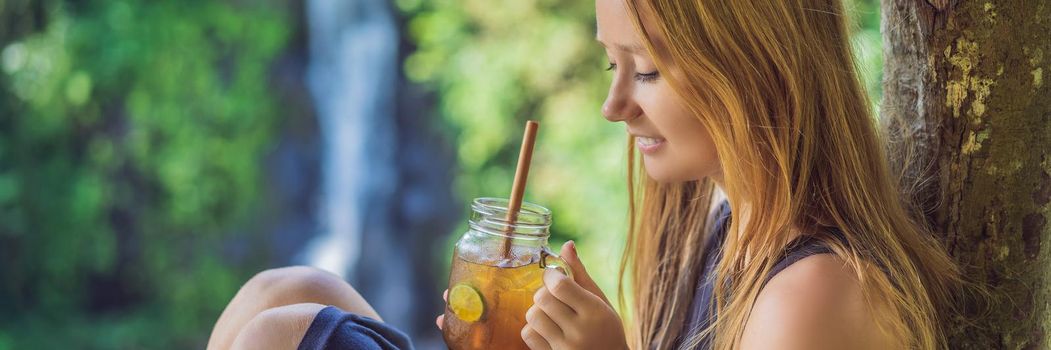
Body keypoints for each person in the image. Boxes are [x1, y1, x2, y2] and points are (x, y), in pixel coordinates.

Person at [207, 0, 964, 349]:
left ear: (752, 67)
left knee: (282, 335)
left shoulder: (813, 295)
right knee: (284, 290)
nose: (612, 106)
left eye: (644, 71)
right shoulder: (714, 210)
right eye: (611, 64)